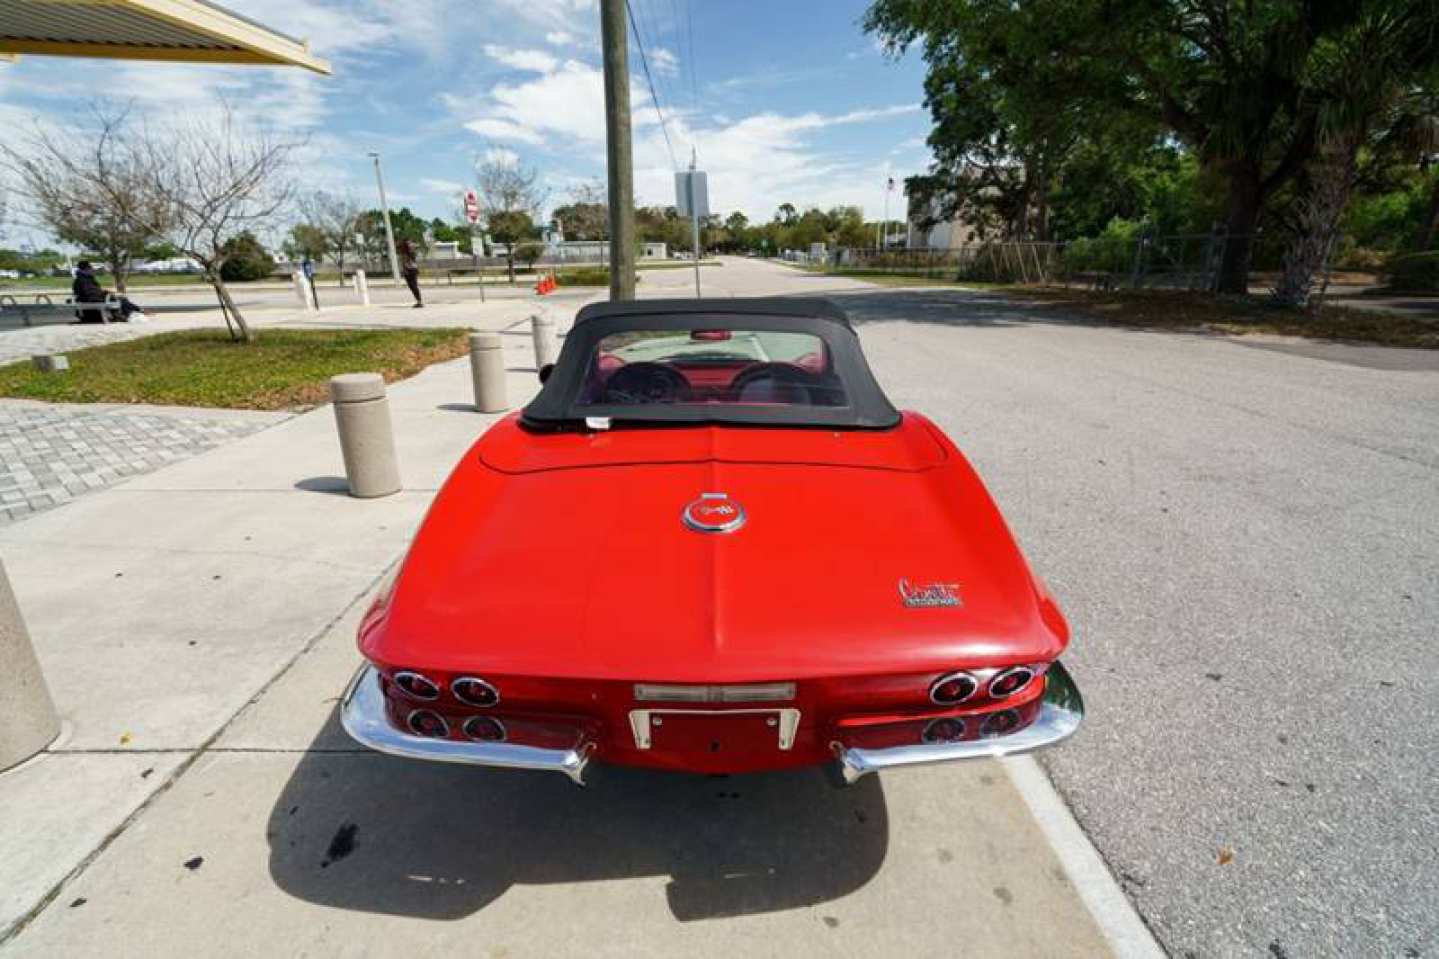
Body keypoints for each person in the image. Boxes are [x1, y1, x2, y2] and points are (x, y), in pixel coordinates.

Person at [71, 261, 147, 324]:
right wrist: (106, 293)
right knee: (121, 299)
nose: (92, 270)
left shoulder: (82, 279)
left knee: (119, 298)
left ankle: (134, 311)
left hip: (89, 299)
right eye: (91, 268)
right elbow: (91, 293)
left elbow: (92, 291)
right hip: (92, 300)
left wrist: (105, 292)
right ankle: (133, 312)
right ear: (86, 269)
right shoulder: (84, 280)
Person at [398, 240, 423, 308]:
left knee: (413, 286)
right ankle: (419, 301)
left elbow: (406, 263)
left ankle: (419, 301)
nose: (410, 245)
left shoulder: (409, 253)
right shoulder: (407, 252)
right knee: (412, 286)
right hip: (412, 269)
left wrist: (404, 270)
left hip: (410, 270)